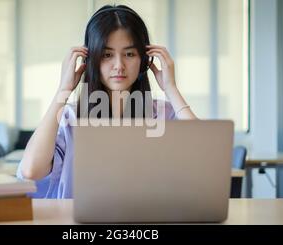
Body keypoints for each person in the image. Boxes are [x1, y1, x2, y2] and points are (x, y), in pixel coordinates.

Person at [17, 5, 198, 198]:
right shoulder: (70, 118)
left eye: (129, 54)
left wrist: (171, 90)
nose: (119, 66)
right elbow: (31, 171)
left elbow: (203, 161)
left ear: (144, 61)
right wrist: (64, 89)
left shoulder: (164, 114)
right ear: (91, 59)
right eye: (107, 55)